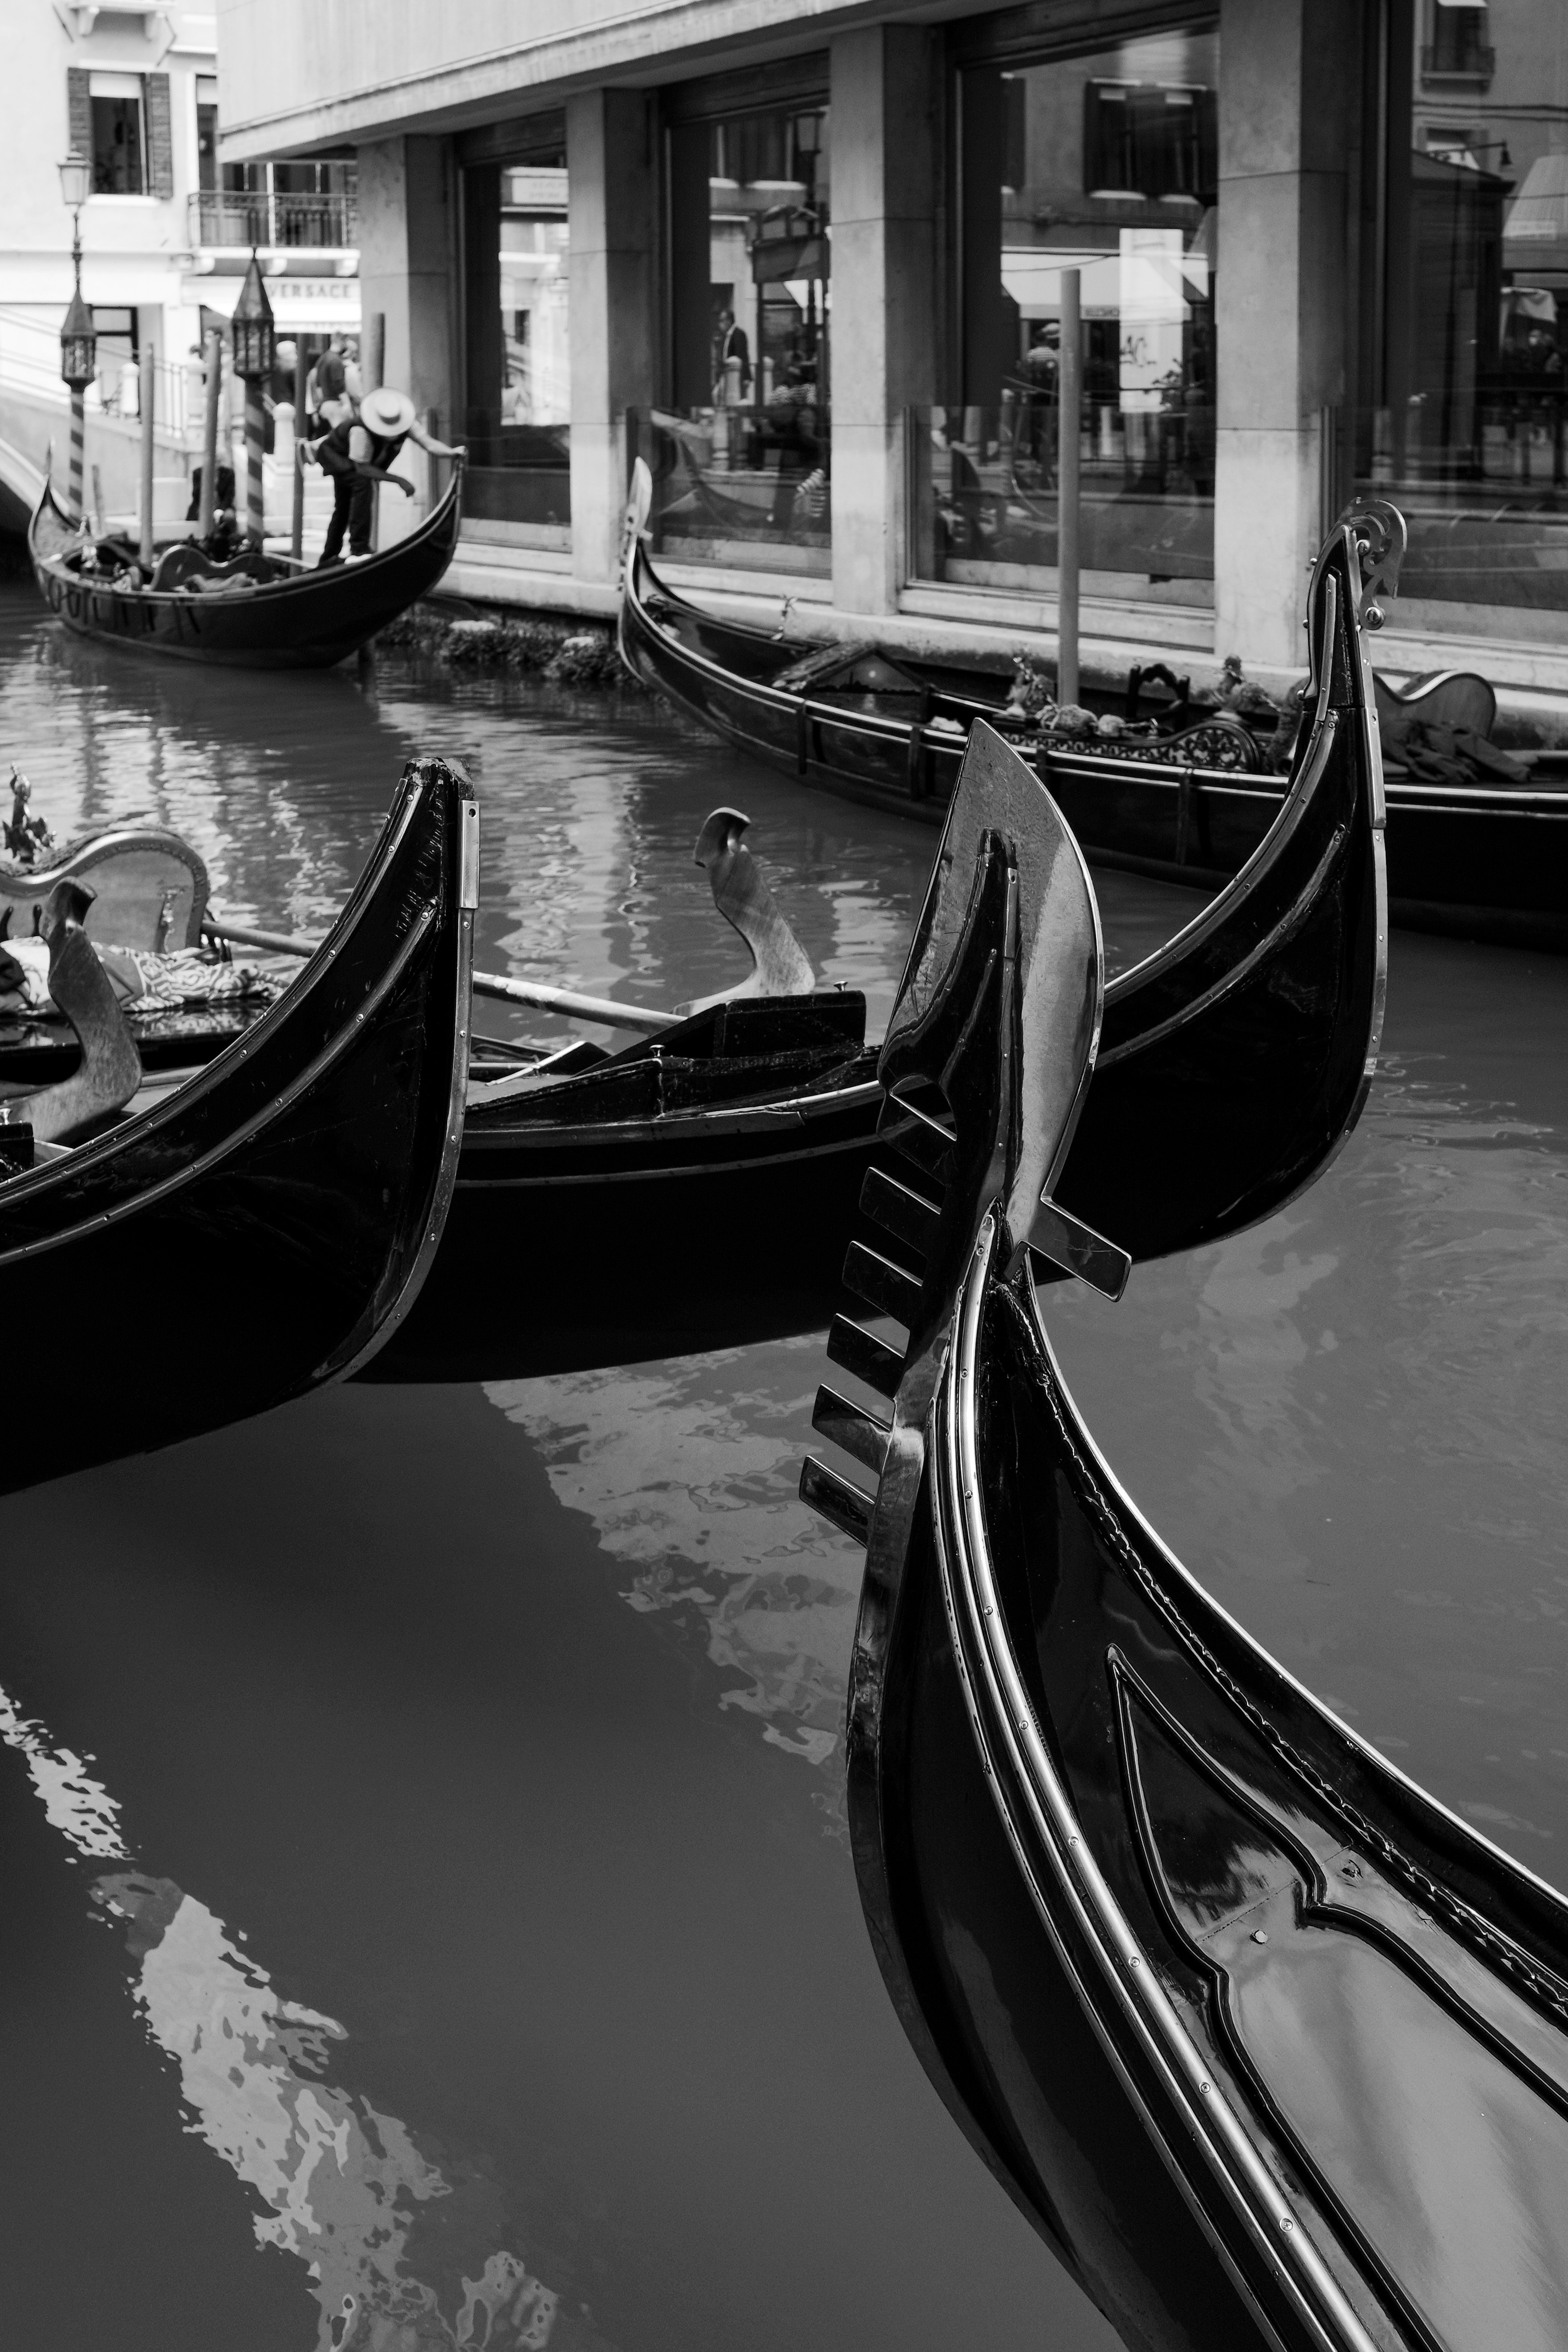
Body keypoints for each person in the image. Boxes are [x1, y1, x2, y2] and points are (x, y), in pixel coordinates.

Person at [310, 388, 464, 565]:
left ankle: (329, 557)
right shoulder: (361, 431)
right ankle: (358, 549)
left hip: (355, 462)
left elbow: (429, 444)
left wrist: (452, 452)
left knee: (344, 506)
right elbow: (363, 469)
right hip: (335, 455)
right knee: (360, 487)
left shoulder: (406, 424)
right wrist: (400, 480)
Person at [713, 307, 752, 402]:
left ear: (729, 321)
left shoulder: (739, 334)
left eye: (722, 321)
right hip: (726, 374)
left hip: (736, 375)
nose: (720, 324)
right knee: (718, 396)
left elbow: (743, 355)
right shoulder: (726, 336)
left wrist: (746, 377)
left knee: (734, 399)